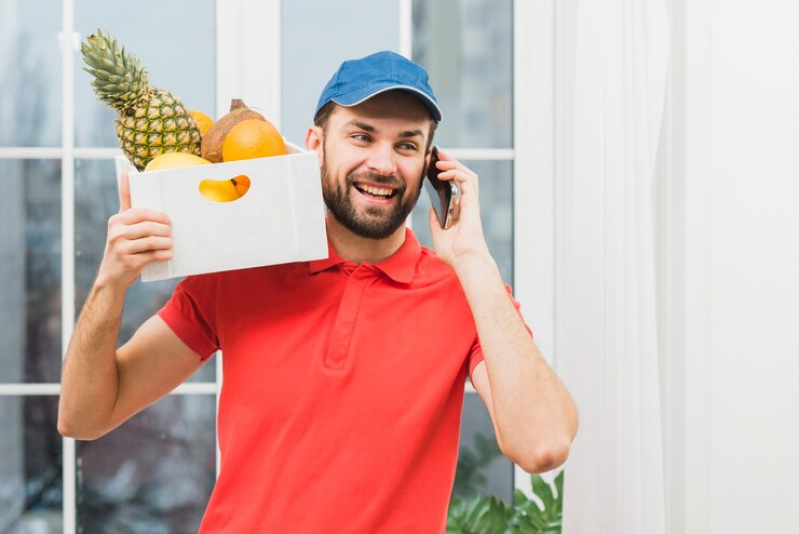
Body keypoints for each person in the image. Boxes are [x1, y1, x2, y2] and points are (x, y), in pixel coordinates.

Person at [58, 51, 578, 532]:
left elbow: (543, 444)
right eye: (361, 136)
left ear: (430, 166)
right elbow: (85, 416)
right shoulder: (243, 271)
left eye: (407, 145)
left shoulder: (466, 296)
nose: (383, 163)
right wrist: (110, 283)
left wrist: (472, 257)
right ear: (315, 146)